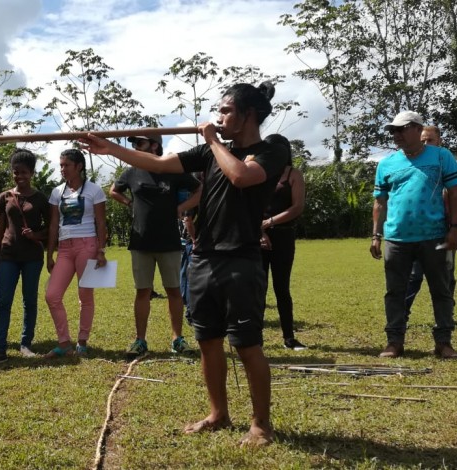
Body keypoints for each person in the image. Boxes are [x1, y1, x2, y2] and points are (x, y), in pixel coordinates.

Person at [81, 82, 285, 447]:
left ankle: (261, 425)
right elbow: (158, 162)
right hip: (204, 257)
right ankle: (218, 413)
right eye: (218, 111)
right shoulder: (211, 153)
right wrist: (109, 147)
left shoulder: (271, 148)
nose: (218, 117)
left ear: (248, 115)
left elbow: (242, 177)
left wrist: (213, 142)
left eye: (225, 111)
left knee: (247, 344)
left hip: (241, 257)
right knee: (207, 339)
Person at [371, 111, 457, 359]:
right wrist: (376, 235)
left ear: (416, 128)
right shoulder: (386, 164)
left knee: (441, 289)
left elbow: (455, 193)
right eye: (393, 131)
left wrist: (454, 228)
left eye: (400, 129)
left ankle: (444, 342)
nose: (396, 135)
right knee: (395, 292)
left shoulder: (441, 156)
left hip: (434, 236)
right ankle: (394, 342)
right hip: (397, 238)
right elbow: (380, 202)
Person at [110, 134, 201, 358]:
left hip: (169, 242)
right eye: (133, 144)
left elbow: (200, 190)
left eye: (139, 143)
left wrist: (182, 208)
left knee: (173, 291)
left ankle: (177, 339)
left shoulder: (172, 169)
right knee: (143, 291)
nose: (134, 147)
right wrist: (130, 203)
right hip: (141, 242)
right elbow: (113, 190)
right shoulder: (131, 172)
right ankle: (140, 340)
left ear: (154, 145)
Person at [0, 149, 50, 365]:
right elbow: (0, 227)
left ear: (32, 173)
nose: (19, 176)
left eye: (23, 172)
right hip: (8, 256)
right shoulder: (5, 196)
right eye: (15, 172)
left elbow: (51, 229)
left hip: (32, 256)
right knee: (3, 302)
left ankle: (25, 344)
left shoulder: (41, 198)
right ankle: (0, 348)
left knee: (29, 300)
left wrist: (36, 235)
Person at [44, 149, 108, 358]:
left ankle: (82, 342)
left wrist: (100, 250)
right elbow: (54, 224)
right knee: (52, 295)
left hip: (87, 246)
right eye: (60, 165)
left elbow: (101, 222)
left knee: (85, 295)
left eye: (66, 165)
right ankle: (64, 343)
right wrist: (49, 253)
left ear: (79, 166)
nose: (62, 169)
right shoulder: (57, 192)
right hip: (64, 248)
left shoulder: (94, 190)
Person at [404, 125, 457, 322]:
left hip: (444, 226)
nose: (425, 144)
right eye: (423, 140)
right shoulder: (411, 162)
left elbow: (456, 196)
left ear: (439, 140)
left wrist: (455, 224)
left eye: (430, 140)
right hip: (418, 227)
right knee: (414, 275)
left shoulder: (452, 163)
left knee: (447, 273)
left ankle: (447, 315)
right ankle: (402, 313)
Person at [259, 134, 307, 350]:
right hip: (258, 237)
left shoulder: (293, 174)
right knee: (257, 289)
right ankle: (254, 338)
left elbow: (297, 207)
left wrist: (268, 223)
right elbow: (250, 206)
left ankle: (289, 337)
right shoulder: (259, 173)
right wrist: (260, 231)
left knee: (281, 288)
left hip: (284, 236)